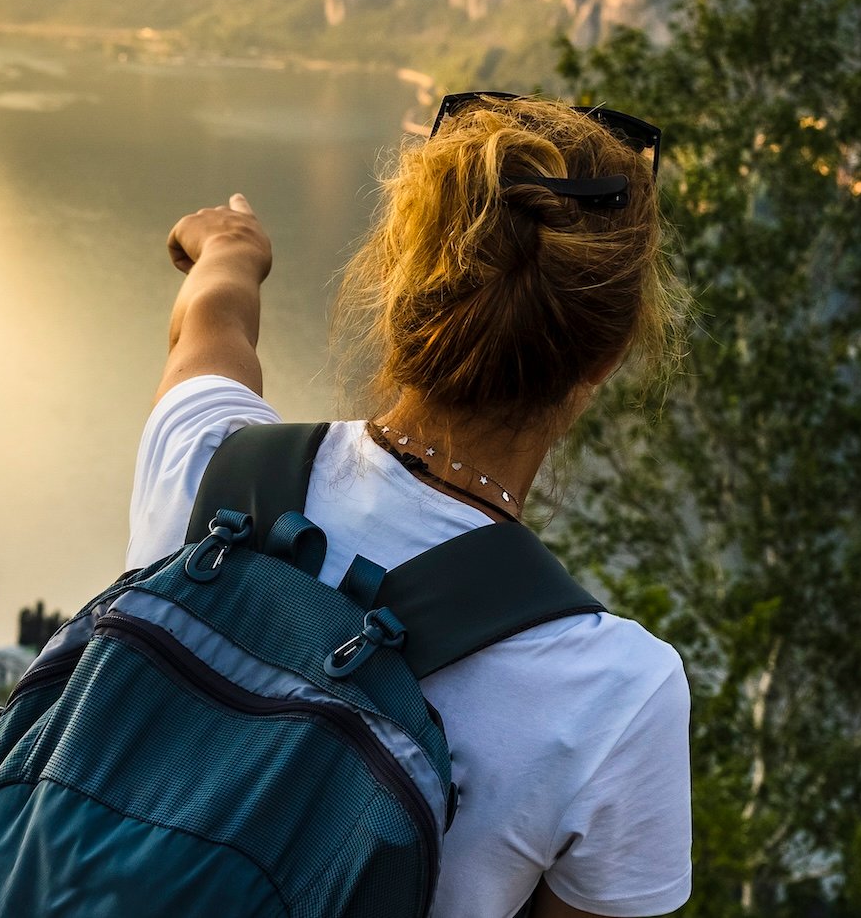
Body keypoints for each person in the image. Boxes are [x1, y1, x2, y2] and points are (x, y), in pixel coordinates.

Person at [130, 94, 693, 917]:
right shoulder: (615, 692)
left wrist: (230, 249)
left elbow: (209, 332)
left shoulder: (213, 469)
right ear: (607, 356)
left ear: (398, 285)